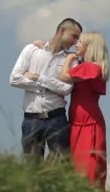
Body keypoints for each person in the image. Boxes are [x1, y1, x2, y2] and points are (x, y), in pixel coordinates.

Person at [34, 32, 109, 189]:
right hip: (78, 123)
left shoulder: (92, 68)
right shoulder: (85, 66)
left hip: (88, 124)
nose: (77, 44)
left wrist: (69, 58)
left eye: (80, 42)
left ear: (89, 47)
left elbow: (64, 76)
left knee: (88, 167)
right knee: (76, 167)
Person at [9, 18, 82, 160]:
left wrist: (37, 77)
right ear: (62, 31)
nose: (75, 42)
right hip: (31, 119)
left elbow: (66, 88)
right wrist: (50, 85)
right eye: (74, 36)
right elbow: (14, 79)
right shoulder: (31, 50)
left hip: (57, 118)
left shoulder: (71, 60)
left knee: (60, 166)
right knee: (32, 169)